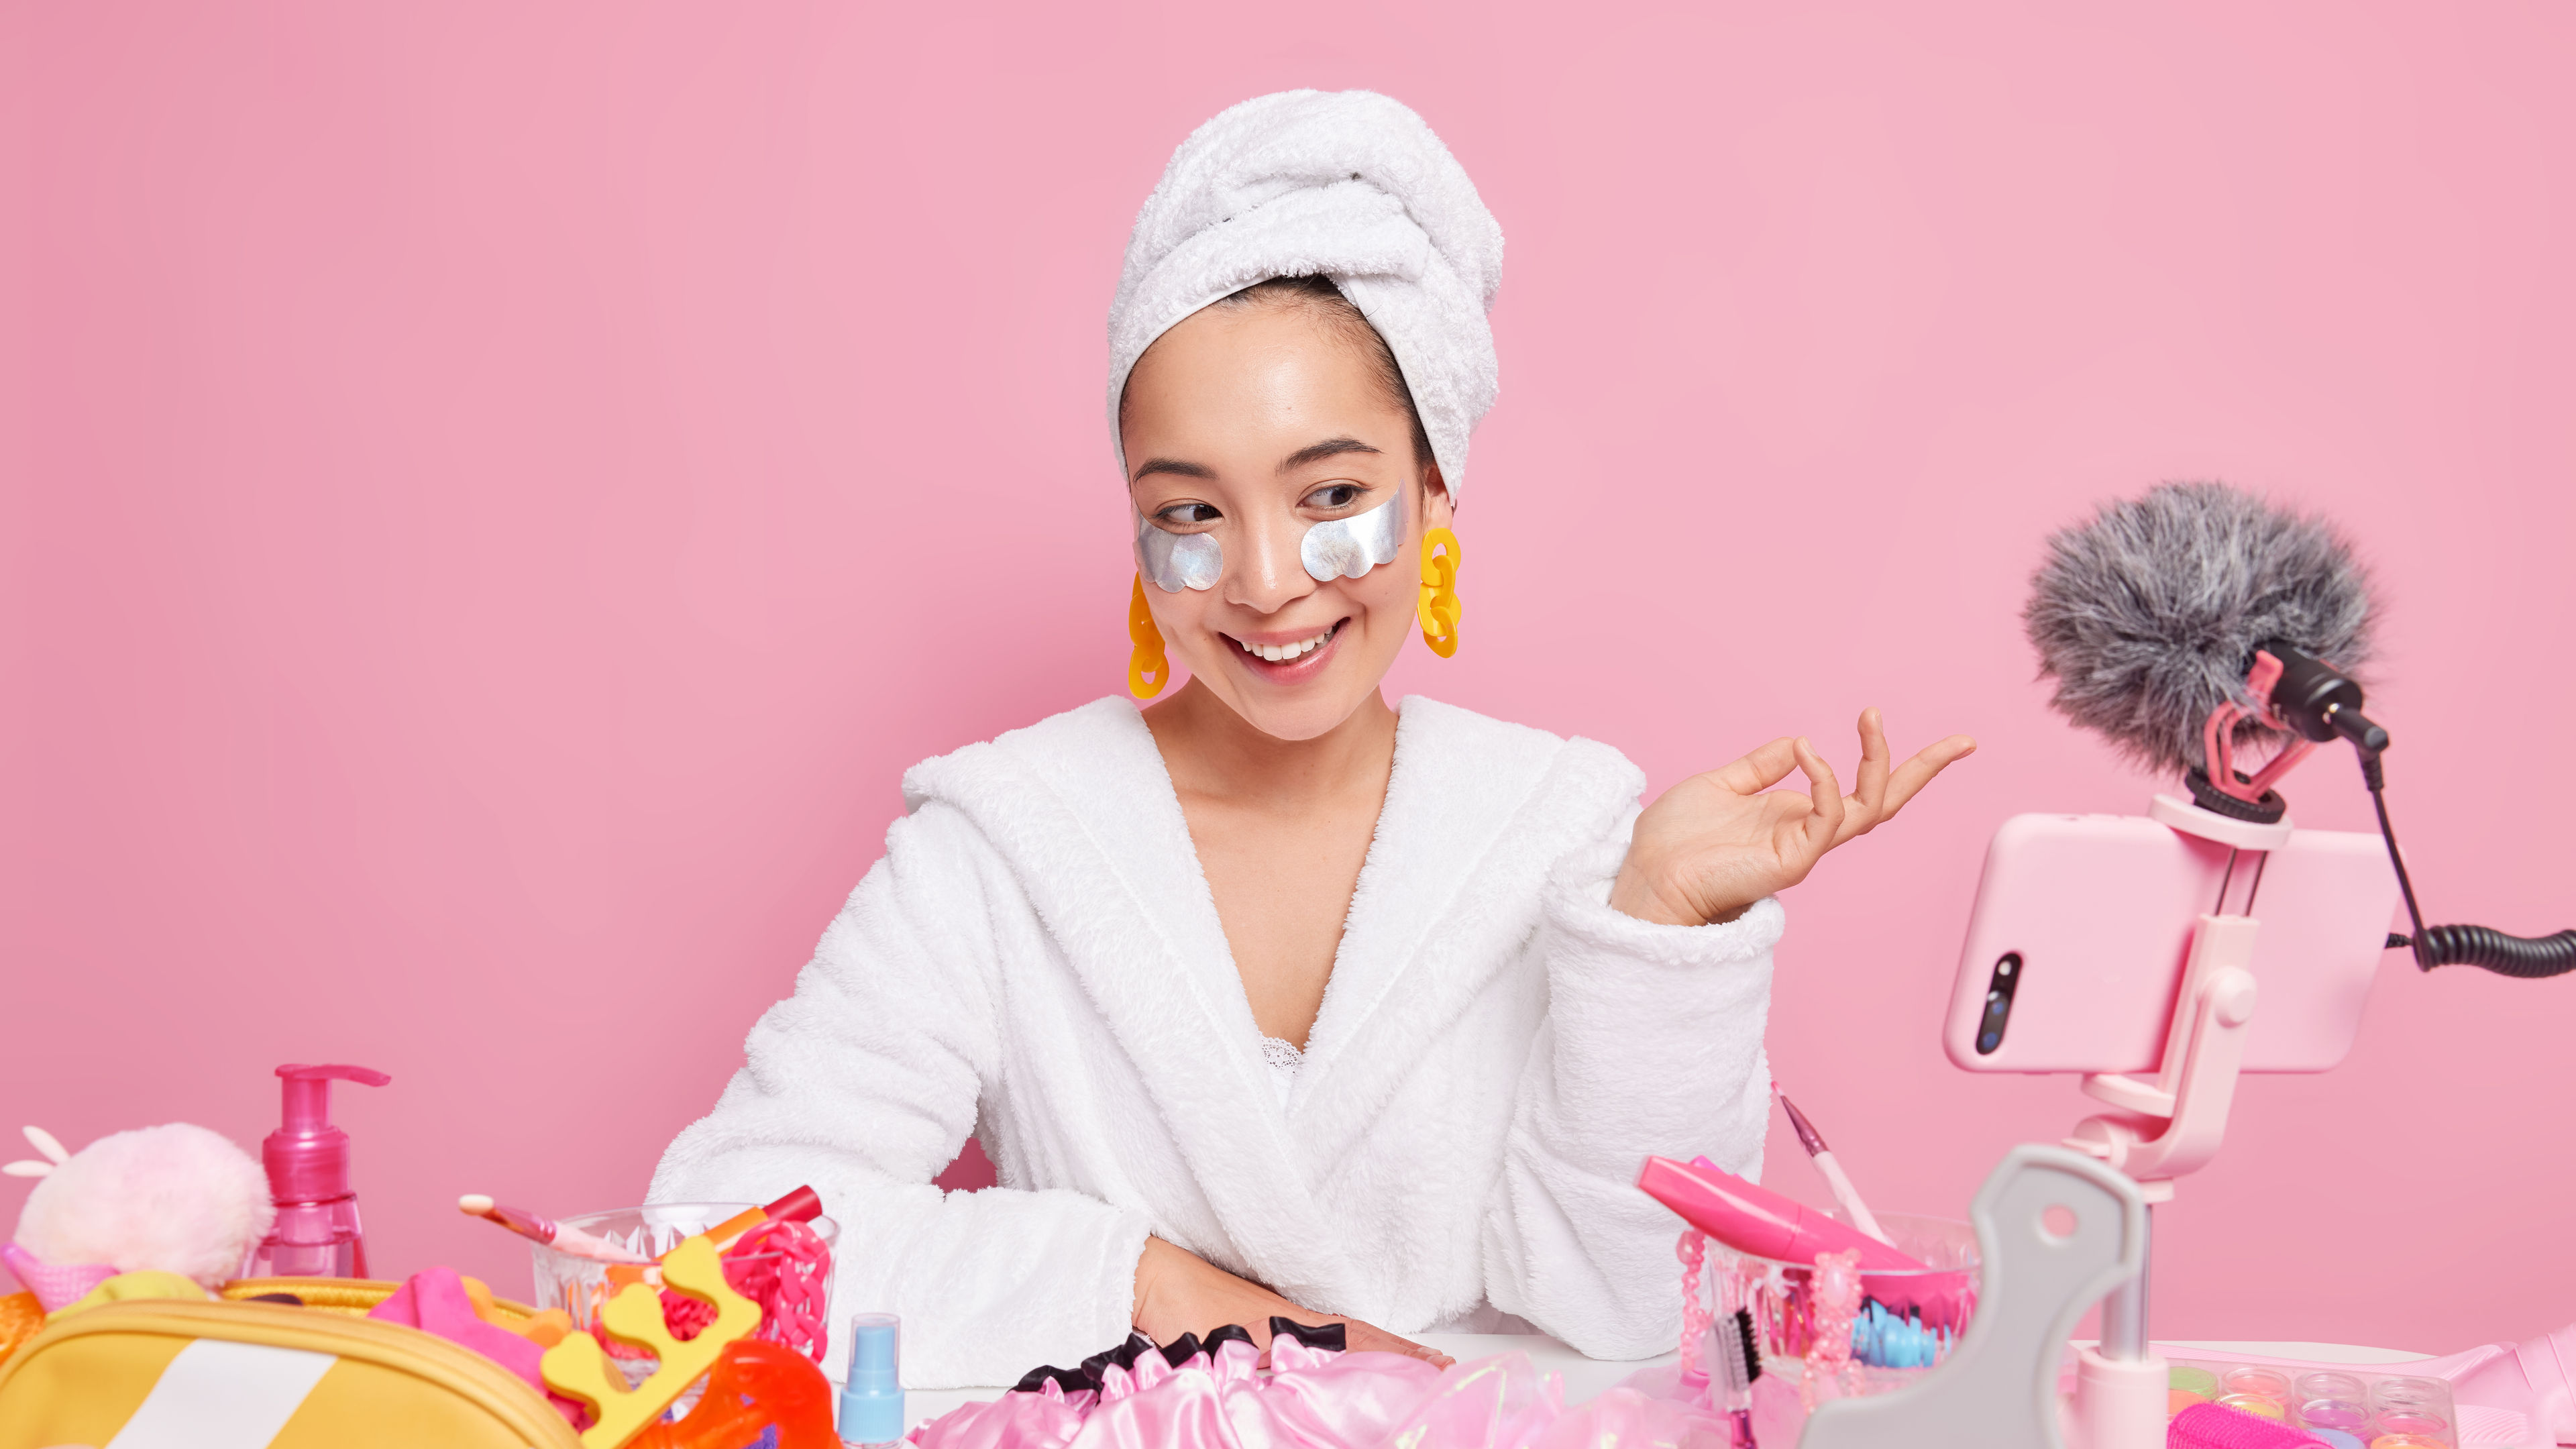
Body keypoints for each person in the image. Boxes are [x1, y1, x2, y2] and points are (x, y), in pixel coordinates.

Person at [651, 90, 1973, 1389]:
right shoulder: (1000, 848)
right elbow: (722, 1237)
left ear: (1435, 483)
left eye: (1332, 495)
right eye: (1193, 513)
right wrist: (1146, 1288)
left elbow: (1626, 1306)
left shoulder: (1559, 832)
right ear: (1135, 525)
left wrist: (1657, 929)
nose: (1270, 580)